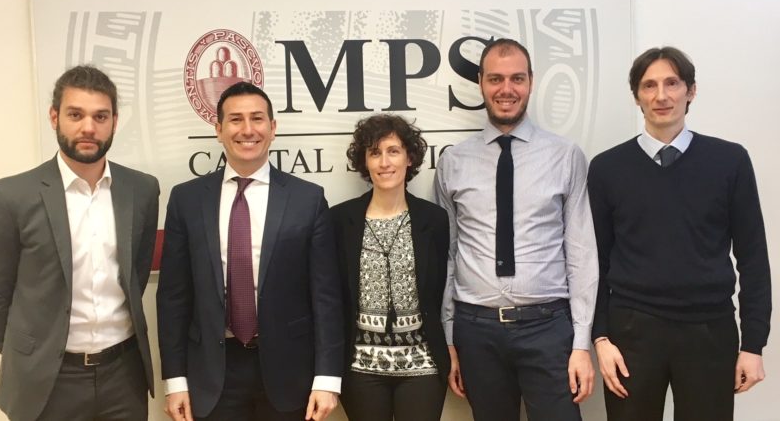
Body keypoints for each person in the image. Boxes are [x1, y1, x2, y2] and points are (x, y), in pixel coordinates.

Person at [588, 46, 771, 421]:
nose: (661, 95)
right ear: (636, 96)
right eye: (649, 85)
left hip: (709, 331)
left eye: (672, 83)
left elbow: (753, 258)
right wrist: (600, 338)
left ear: (691, 91)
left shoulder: (730, 161)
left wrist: (754, 344)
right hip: (631, 333)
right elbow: (595, 262)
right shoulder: (607, 168)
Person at [0, 65, 159, 421]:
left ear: (114, 121)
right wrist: (29, 352)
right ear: (54, 117)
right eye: (76, 115)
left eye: (100, 116)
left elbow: (136, 274)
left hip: (123, 376)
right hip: (48, 381)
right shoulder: (10, 196)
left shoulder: (141, 190)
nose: (88, 127)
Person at [157, 82, 344, 421]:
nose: (247, 130)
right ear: (218, 130)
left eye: (257, 119)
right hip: (212, 373)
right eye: (235, 119)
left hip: (289, 372)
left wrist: (327, 378)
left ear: (273, 127)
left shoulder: (307, 199)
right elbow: (173, 297)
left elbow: (326, 297)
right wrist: (175, 380)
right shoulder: (187, 200)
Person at [434, 38, 598, 421]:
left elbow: (581, 253)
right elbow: (447, 257)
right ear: (480, 82)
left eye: (517, 78)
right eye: (495, 78)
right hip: (476, 331)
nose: (506, 89)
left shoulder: (565, 156)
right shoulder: (453, 162)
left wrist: (581, 342)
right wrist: (449, 338)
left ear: (531, 82)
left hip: (549, 328)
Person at [331, 115, 449, 421]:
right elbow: (333, 297)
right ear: (365, 162)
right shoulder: (340, 220)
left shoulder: (433, 220)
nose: (384, 162)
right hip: (360, 367)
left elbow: (442, 290)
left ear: (409, 158)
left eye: (393, 151)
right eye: (375, 153)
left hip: (422, 364)